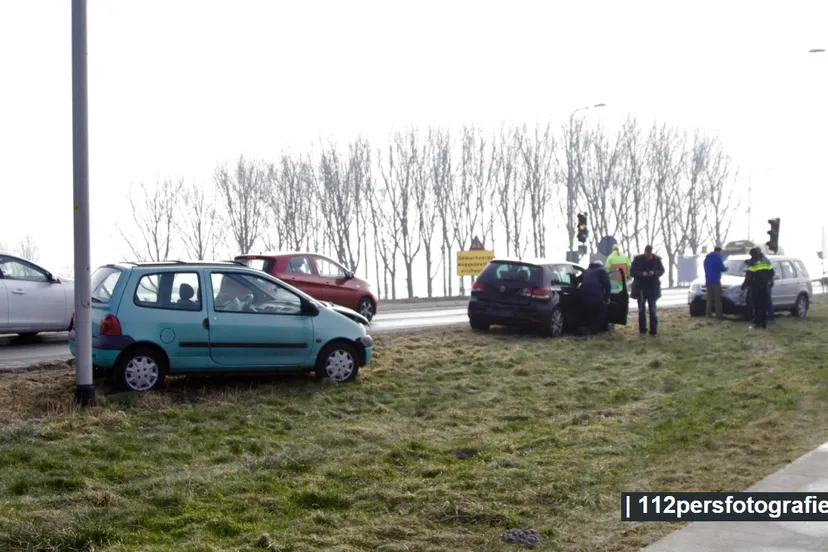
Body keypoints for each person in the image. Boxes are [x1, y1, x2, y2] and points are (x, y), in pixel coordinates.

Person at [630, 245, 665, 336]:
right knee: (641, 310)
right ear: (645, 252)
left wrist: (654, 273)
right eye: (646, 254)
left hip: (652, 289)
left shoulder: (657, 260)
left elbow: (661, 270)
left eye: (649, 255)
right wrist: (642, 274)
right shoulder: (638, 259)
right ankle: (642, 330)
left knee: (652, 311)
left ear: (651, 253)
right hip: (641, 289)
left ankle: (653, 331)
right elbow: (632, 272)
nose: (648, 256)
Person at [740, 247, 774, 329]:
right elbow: (772, 272)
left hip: (755, 287)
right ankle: (763, 323)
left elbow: (749, 276)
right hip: (765, 286)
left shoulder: (753, 262)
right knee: (763, 305)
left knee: (756, 306)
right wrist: (767, 280)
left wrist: (743, 287)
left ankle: (757, 323)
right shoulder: (765, 260)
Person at [580, 261, 612, 334]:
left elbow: (578, 279)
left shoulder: (586, 271)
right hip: (596, 294)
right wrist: (608, 297)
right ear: (601, 265)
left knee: (590, 311)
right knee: (601, 310)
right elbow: (607, 284)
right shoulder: (602, 270)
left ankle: (589, 328)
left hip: (583, 294)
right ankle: (597, 330)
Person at [703, 245, 728, 320]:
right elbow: (722, 268)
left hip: (708, 281)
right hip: (716, 281)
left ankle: (708, 315)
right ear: (719, 251)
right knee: (717, 299)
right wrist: (726, 268)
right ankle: (719, 316)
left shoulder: (707, 258)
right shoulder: (717, 257)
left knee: (709, 299)